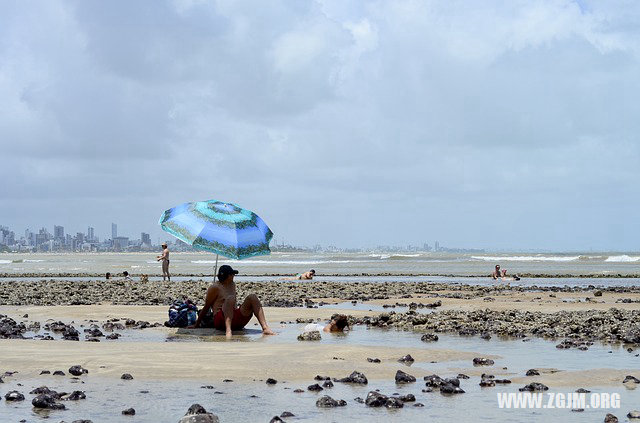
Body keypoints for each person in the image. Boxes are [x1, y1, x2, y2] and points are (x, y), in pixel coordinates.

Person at [189, 265, 275, 338]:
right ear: (228, 276)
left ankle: (265, 328)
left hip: (234, 318)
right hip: (220, 320)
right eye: (232, 274)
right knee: (230, 298)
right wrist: (196, 324)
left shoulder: (232, 284)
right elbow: (206, 306)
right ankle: (228, 331)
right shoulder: (215, 287)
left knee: (252, 297)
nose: (234, 276)